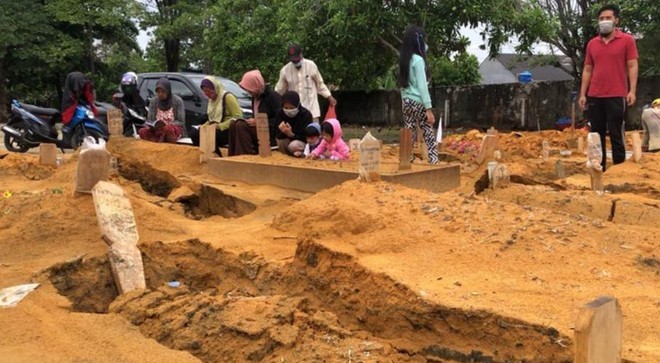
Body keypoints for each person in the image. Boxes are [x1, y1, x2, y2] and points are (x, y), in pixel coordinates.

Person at [579, 3, 638, 171]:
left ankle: (619, 169)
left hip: (617, 94)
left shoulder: (627, 41)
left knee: (616, 134)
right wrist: (583, 94)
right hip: (595, 95)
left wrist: (632, 90)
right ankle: (600, 168)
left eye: (608, 18)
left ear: (616, 20)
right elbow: (588, 69)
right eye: (601, 18)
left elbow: (633, 65)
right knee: (596, 135)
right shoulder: (592, 44)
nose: (604, 21)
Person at [398, 26, 438, 164]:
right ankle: (433, 160)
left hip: (406, 101)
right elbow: (422, 86)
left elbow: (402, 84)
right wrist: (428, 108)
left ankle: (407, 160)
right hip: (418, 101)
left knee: (409, 131)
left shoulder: (404, 60)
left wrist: (405, 100)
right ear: (418, 42)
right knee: (427, 129)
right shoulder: (418, 60)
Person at [275, 43, 336, 122]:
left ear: (301, 54)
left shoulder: (311, 66)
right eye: (293, 59)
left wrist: (329, 97)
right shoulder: (285, 70)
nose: (295, 61)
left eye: (296, 58)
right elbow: (279, 90)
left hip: (312, 111)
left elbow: (320, 84)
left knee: (313, 133)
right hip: (294, 113)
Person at [228, 70, 282, 156]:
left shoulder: (273, 97)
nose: (249, 92)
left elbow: (280, 120)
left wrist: (260, 122)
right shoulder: (255, 98)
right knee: (234, 124)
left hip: (270, 133)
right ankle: (233, 156)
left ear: (256, 86)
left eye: (250, 90)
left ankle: (245, 156)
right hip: (259, 130)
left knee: (241, 126)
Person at [189, 76, 242, 156]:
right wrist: (204, 126)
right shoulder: (211, 101)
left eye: (208, 91)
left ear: (215, 88)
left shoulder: (227, 97)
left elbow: (238, 116)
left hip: (228, 129)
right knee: (194, 133)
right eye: (205, 92)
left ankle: (216, 157)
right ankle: (209, 155)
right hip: (214, 127)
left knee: (209, 136)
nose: (207, 94)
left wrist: (220, 126)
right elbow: (211, 118)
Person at [138, 78, 184, 143]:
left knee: (167, 130)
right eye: (158, 92)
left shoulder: (177, 101)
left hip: (172, 129)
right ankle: (157, 140)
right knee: (142, 131)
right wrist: (153, 126)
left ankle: (159, 140)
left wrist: (167, 125)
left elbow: (181, 121)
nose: (160, 94)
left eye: (163, 91)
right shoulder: (153, 101)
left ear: (168, 91)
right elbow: (150, 119)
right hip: (157, 129)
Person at [275, 91, 313, 156]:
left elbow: (307, 137)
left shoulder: (306, 115)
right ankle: (286, 157)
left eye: (292, 108)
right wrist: (282, 131)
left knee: (294, 146)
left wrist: (291, 134)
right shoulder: (280, 113)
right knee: (280, 141)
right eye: (286, 108)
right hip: (286, 141)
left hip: (301, 142)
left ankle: (301, 155)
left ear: (297, 105)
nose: (289, 110)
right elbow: (275, 133)